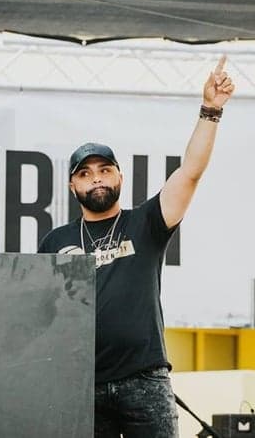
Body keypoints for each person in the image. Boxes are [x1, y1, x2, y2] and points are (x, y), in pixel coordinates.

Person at [38, 57, 235, 437]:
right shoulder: (55, 241)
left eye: (104, 169)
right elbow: (41, 314)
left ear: (120, 176)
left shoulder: (145, 222)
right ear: (72, 187)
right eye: (84, 173)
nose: (95, 178)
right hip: (82, 385)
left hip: (145, 379)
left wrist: (211, 110)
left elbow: (190, 171)